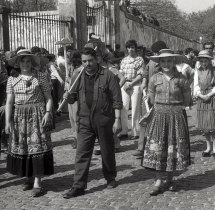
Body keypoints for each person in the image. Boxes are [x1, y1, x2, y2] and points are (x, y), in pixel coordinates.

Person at [62, 48, 122, 199]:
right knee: (82, 153)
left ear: (97, 59)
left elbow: (117, 100)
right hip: (84, 120)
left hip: (104, 119)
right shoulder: (78, 75)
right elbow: (72, 98)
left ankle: (110, 178)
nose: (87, 64)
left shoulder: (108, 75)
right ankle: (78, 186)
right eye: (84, 61)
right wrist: (67, 96)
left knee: (107, 151)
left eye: (90, 60)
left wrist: (117, 119)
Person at [5, 49, 54, 197]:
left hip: (37, 116)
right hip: (19, 117)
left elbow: (49, 98)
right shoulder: (12, 79)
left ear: (32, 63)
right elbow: (9, 102)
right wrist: (7, 122)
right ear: (18, 64)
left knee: (38, 147)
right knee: (24, 148)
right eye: (22, 61)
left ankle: (38, 181)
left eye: (28, 61)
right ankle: (28, 177)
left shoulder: (40, 76)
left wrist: (47, 113)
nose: (25, 64)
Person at [142, 49, 191, 196]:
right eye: (163, 61)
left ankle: (170, 179)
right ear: (159, 63)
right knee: (158, 148)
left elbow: (187, 100)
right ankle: (158, 181)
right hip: (158, 116)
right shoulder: (154, 79)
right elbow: (150, 100)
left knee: (173, 148)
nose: (166, 63)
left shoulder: (181, 79)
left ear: (174, 61)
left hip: (176, 116)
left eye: (169, 60)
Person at [133, 41, 167, 159]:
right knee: (144, 121)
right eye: (155, 52)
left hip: (162, 98)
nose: (156, 54)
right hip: (149, 97)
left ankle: (159, 147)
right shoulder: (151, 63)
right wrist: (144, 84)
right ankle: (141, 148)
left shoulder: (167, 63)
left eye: (158, 52)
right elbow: (145, 75)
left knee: (160, 123)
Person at [194, 50, 215, 158]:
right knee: (204, 124)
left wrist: (209, 95)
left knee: (213, 123)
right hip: (202, 98)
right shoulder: (197, 71)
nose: (203, 63)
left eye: (205, 61)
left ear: (209, 60)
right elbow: (196, 85)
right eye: (201, 61)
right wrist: (200, 95)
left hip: (211, 97)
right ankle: (208, 147)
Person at [119, 40, 144, 140]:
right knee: (124, 108)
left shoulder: (139, 59)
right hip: (125, 84)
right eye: (129, 47)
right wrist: (124, 83)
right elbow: (120, 72)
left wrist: (131, 83)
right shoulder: (124, 60)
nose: (130, 49)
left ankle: (135, 132)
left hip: (135, 84)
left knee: (135, 109)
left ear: (135, 48)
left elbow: (140, 74)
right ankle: (124, 131)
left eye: (132, 47)